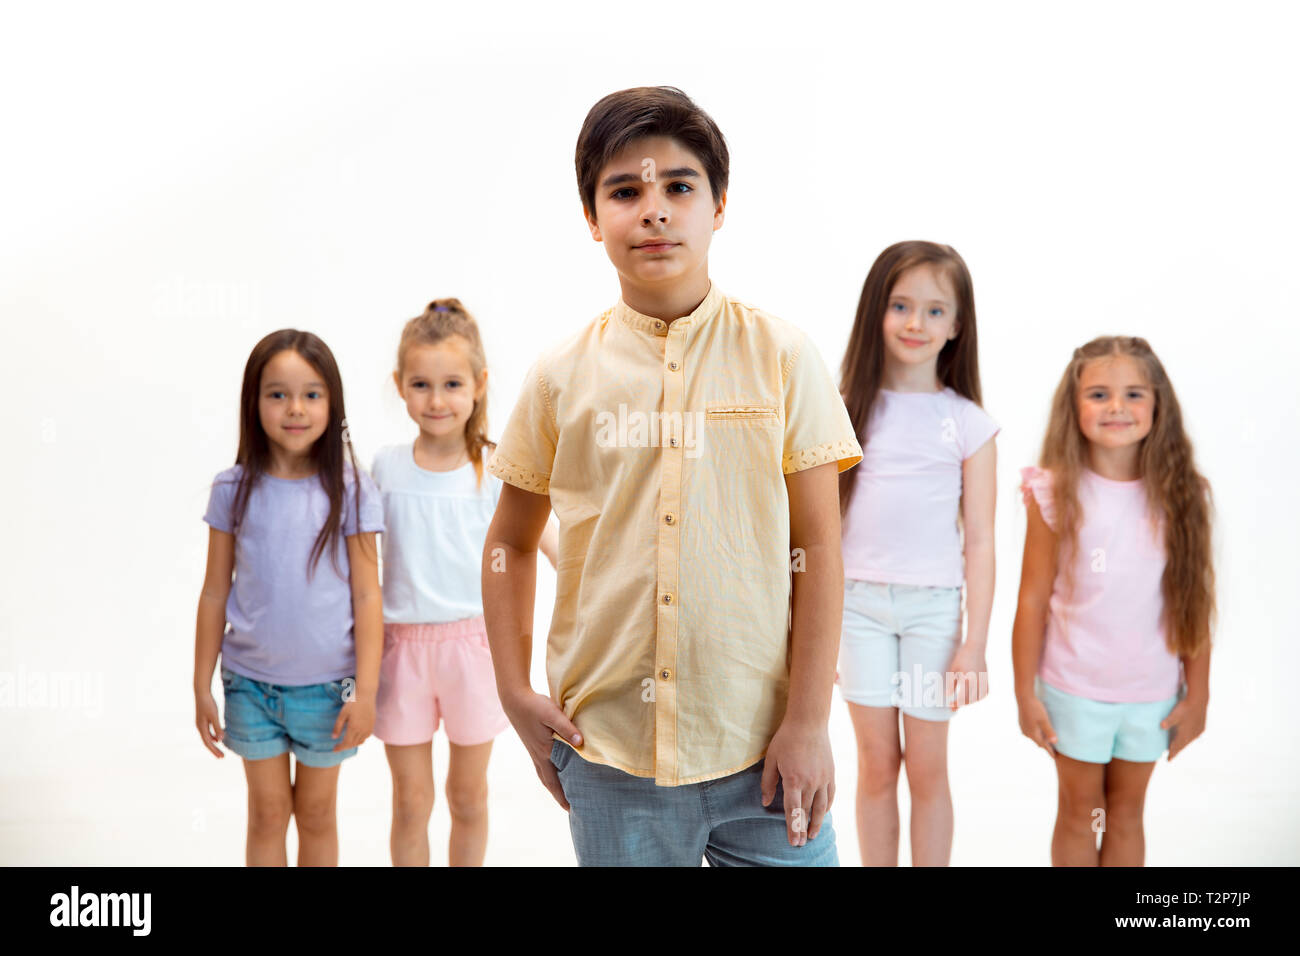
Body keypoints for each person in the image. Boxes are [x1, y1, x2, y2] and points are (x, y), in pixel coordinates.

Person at [482, 86, 862, 866]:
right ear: (592, 218)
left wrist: (810, 722)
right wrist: (514, 693)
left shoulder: (784, 359)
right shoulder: (559, 376)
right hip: (610, 754)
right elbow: (510, 546)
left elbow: (818, 549)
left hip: (764, 751)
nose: (653, 210)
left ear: (718, 206)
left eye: (679, 187)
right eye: (625, 191)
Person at [1012, 335, 1215, 866]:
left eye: (1134, 394)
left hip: (1151, 695)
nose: (1117, 407)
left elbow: (1194, 599)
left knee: (1126, 813)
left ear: (1158, 405)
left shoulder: (1184, 494)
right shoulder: (1053, 491)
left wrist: (1199, 695)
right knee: (1081, 812)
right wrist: (1024, 694)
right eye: (1098, 394)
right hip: (1073, 690)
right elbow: (1032, 599)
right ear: (1073, 405)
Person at [371, 298, 557, 867]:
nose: (436, 399)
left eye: (451, 383)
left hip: (475, 651)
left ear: (478, 384)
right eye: (421, 384)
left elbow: (554, 549)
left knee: (467, 795)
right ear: (400, 386)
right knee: (410, 800)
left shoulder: (496, 468)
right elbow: (350, 557)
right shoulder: (385, 468)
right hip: (401, 651)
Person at [194, 329, 384, 866]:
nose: (294, 408)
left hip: (330, 690)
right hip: (251, 686)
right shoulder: (232, 490)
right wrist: (200, 684)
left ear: (333, 403)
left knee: (318, 815)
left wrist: (365, 693)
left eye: (312, 394)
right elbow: (213, 592)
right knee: (267, 814)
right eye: (277, 393)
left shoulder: (352, 489)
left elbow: (369, 597)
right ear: (253, 402)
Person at [836, 241, 998, 866]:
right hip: (858, 610)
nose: (914, 323)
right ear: (876, 310)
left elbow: (980, 540)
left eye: (935, 311)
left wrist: (974, 642)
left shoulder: (967, 424)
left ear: (957, 326)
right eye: (901, 305)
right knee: (877, 765)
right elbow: (813, 531)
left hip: (934, 612)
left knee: (928, 769)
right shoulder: (846, 409)